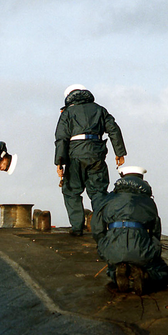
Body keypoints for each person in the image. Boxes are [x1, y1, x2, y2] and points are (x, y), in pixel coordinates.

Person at [55, 85, 126, 236]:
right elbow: (113, 129)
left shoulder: (67, 112)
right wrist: (119, 153)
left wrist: (59, 162)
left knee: (71, 191)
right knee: (99, 191)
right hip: (96, 155)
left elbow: (61, 138)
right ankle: (100, 228)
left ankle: (76, 228)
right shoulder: (100, 109)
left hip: (75, 155)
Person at [91, 165, 168, 294]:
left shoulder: (108, 199)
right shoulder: (148, 201)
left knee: (112, 266)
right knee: (165, 274)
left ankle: (118, 271)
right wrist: (153, 249)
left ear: (122, 177)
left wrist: (103, 244)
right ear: (141, 179)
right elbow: (155, 231)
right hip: (141, 248)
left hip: (113, 248)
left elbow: (96, 228)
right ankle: (145, 275)